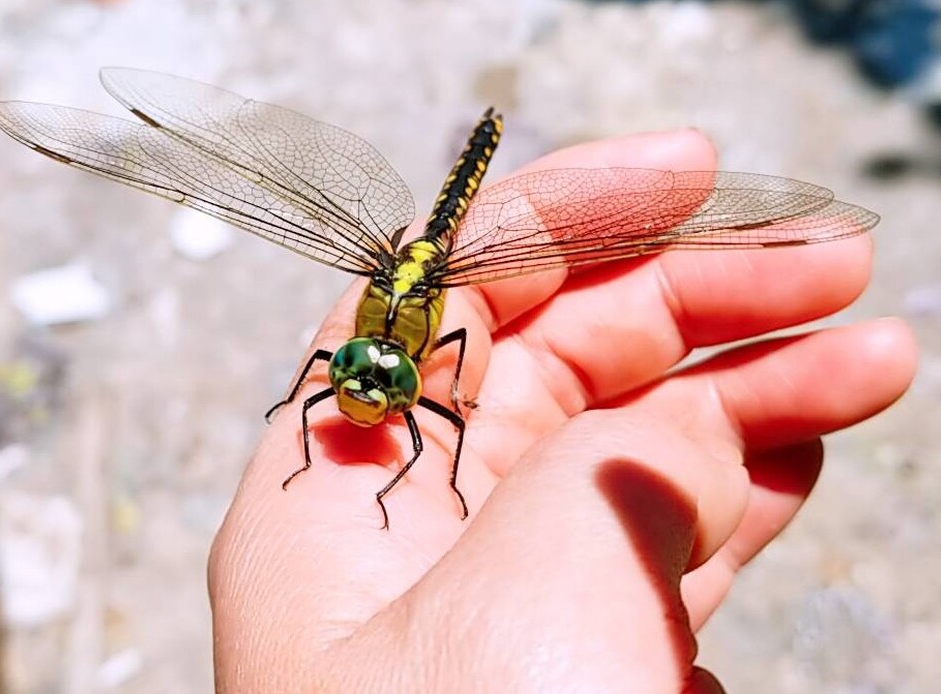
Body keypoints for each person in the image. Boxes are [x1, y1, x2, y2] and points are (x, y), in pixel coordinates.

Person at [207, 128, 916, 692]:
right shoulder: (352, 359)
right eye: (357, 373)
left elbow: (435, 400)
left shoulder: (428, 350)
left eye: (382, 380)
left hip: (442, 263)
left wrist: (447, 432)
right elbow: (324, 375)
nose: (362, 386)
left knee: (756, 242)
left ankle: (486, 136)